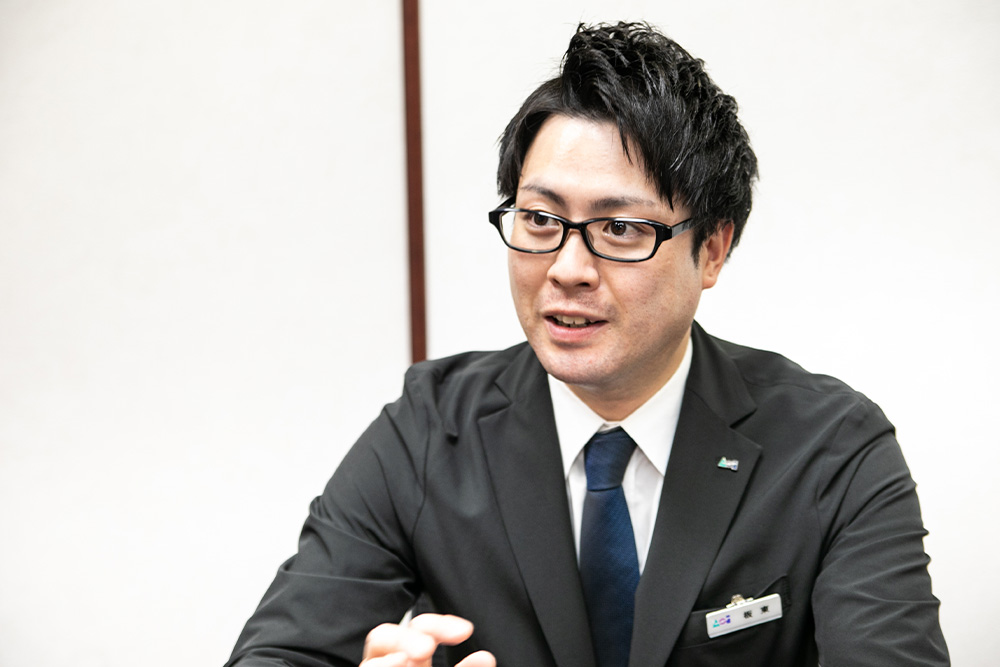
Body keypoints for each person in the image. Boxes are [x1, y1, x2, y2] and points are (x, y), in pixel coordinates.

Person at [224, 22, 948, 667]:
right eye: (540, 220)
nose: (567, 269)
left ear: (712, 250)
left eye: (620, 229)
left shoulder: (831, 449)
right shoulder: (428, 432)